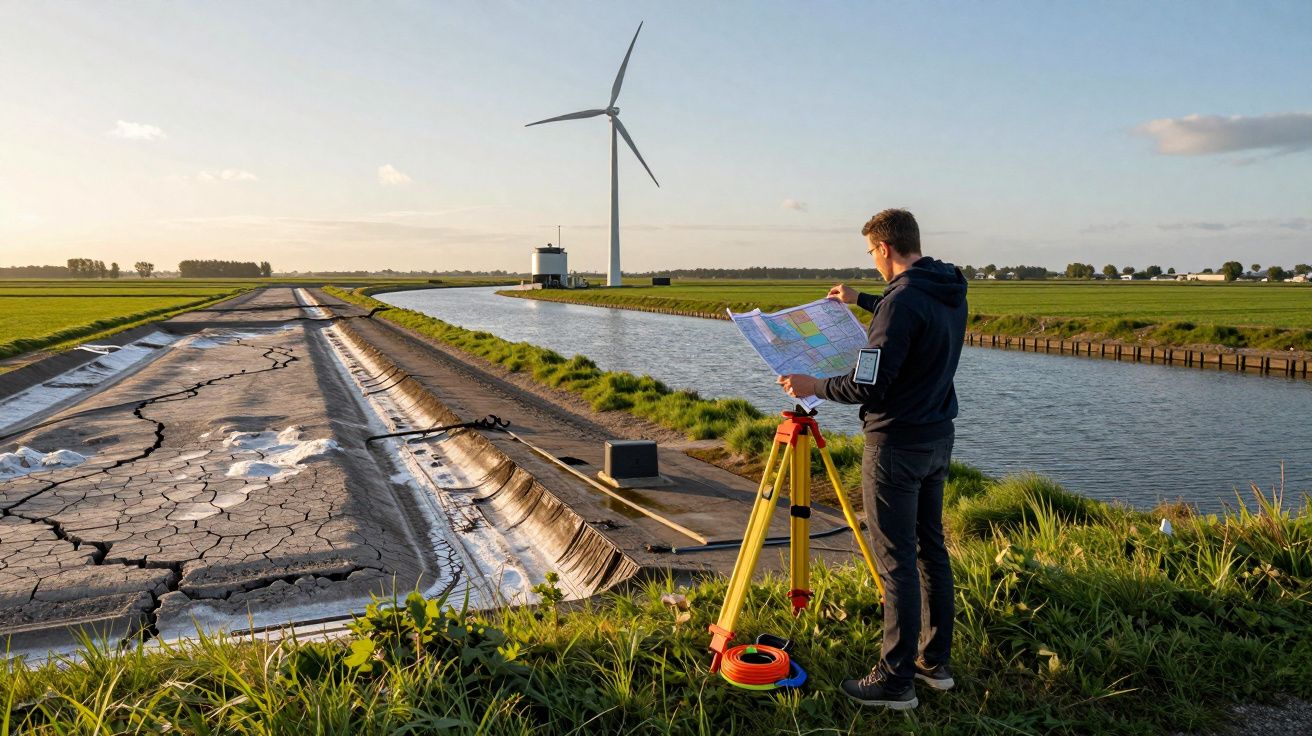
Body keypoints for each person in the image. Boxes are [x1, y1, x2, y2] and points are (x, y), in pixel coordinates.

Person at [777, 208, 968, 710]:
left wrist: (813, 385)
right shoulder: (947, 285)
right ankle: (934, 663)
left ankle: (894, 680)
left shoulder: (901, 302)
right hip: (936, 437)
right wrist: (859, 300)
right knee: (931, 549)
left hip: (895, 445)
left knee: (896, 561)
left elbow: (869, 383)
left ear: (884, 248)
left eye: (871, 254)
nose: (873, 262)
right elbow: (907, 306)